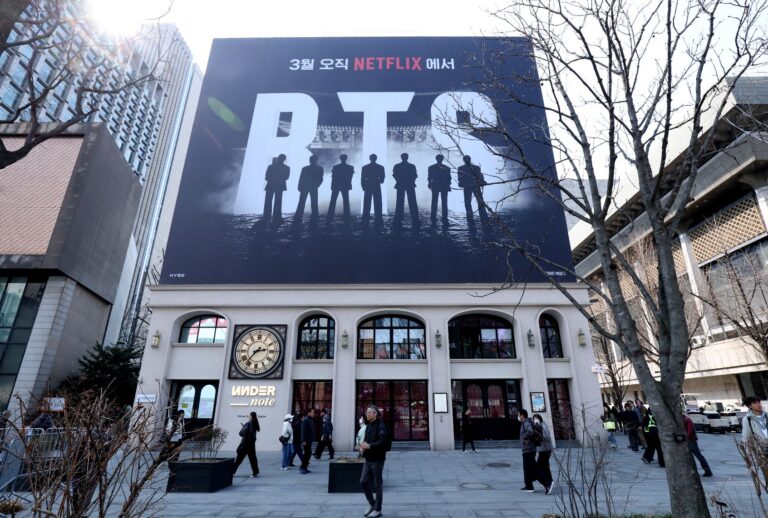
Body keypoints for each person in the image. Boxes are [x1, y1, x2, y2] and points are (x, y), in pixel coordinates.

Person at [359, 405, 389, 518]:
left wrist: (370, 446)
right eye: (366, 412)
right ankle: (373, 504)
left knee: (377, 484)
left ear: (375, 414)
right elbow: (367, 440)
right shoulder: (369, 425)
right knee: (363, 481)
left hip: (377, 459)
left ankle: (378, 509)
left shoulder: (381, 425)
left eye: (369, 412)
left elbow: (383, 442)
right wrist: (363, 446)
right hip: (368, 458)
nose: (367, 414)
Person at [519, 409, 552, 494]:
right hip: (527, 450)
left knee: (534, 468)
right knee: (527, 469)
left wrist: (525, 438)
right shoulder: (526, 423)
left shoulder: (526, 423)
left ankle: (547, 484)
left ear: (522, 415)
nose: (518, 416)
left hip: (529, 450)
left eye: (519, 414)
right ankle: (529, 486)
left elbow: (530, 431)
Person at [741, 396, 768, 483]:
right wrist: (748, 456)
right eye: (755, 403)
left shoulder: (767, 415)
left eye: (759, 402)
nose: (758, 404)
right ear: (749, 406)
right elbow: (746, 438)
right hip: (762, 452)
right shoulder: (748, 419)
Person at [457, 155, 487, 221]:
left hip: (468, 186)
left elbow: (460, 179)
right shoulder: (476, 167)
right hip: (475, 186)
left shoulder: (461, 168)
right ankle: (483, 215)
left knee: (468, 202)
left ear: (463, 160)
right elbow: (480, 176)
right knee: (479, 200)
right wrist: (483, 181)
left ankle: (470, 215)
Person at [294, 155, 323, 222]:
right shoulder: (319, 168)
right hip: (313, 187)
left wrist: (299, 186)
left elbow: (301, 178)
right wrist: (317, 185)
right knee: (314, 202)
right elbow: (320, 179)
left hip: (305, 187)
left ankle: (299, 215)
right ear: (316, 160)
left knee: (302, 202)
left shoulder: (305, 168)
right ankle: (315, 215)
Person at [392, 153, 419, 225]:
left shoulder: (397, 166)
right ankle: (415, 216)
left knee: (399, 201)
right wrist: (411, 181)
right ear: (407, 157)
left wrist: (399, 180)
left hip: (400, 184)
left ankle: (399, 216)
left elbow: (394, 175)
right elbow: (415, 175)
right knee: (412, 201)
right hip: (410, 184)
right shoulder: (412, 166)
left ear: (401, 158)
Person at [683, 412, 712, 477]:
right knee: (697, 455)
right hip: (690, 440)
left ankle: (707, 470)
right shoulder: (686, 419)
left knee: (698, 455)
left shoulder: (686, 419)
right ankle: (706, 470)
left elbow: (690, 431)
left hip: (690, 440)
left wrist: (687, 438)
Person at [263, 154, 290, 224]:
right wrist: (278, 180)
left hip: (272, 185)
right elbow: (286, 177)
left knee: (269, 201)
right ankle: (276, 216)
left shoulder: (271, 167)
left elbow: (267, 176)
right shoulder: (286, 168)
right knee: (277, 202)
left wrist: (273, 179)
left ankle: (267, 216)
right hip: (279, 186)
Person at [327, 154, 354, 222]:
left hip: (336, 185)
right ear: (346, 158)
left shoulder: (336, 167)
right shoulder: (350, 167)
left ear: (340, 159)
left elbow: (333, 177)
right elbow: (350, 178)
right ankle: (347, 215)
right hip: (345, 185)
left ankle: (330, 215)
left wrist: (332, 186)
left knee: (333, 200)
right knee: (346, 201)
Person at [232, 411, 260, 477]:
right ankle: (255, 472)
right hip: (251, 444)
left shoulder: (248, 423)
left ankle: (232, 471)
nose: (248, 416)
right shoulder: (255, 423)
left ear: (251, 416)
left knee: (239, 459)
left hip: (245, 444)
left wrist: (243, 427)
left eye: (249, 415)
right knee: (253, 458)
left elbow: (241, 433)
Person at [533, 413, 554, 494]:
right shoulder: (537, 426)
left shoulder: (543, 425)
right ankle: (549, 480)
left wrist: (538, 431)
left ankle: (548, 482)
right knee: (545, 466)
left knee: (540, 466)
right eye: (534, 418)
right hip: (542, 449)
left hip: (546, 449)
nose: (535, 420)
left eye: (536, 418)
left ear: (539, 418)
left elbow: (546, 437)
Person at [361, 154, 385, 225]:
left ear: (370, 158)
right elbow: (383, 176)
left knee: (367, 202)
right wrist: (380, 181)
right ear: (376, 158)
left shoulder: (365, 167)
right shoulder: (380, 167)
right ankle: (378, 216)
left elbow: (362, 178)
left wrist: (363, 186)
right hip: (376, 185)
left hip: (368, 185)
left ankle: (365, 216)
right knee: (378, 202)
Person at [427, 154, 451, 222]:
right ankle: (444, 216)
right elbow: (449, 178)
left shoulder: (431, 167)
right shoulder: (447, 168)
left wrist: (429, 184)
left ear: (436, 159)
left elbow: (429, 177)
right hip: (444, 186)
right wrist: (448, 184)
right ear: (442, 159)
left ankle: (433, 216)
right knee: (444, 202)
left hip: (435, 185)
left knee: (434, 201)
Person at [300, 409, 315, 474]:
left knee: (307, 454)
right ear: (309, 413)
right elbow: (303, 431)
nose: (313, 413)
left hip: (309, 440)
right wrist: (303, 440)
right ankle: (303, 467)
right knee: (307, 454)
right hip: (306, 440)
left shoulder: (310, 420)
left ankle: (304, 467)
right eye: (312, 412)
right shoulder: (305, 420)